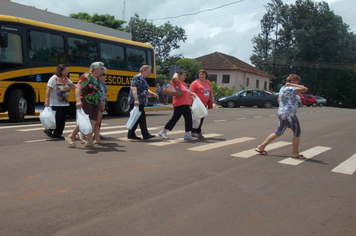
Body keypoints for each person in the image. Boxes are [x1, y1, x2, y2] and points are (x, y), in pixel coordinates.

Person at [255, 74, 308, 159]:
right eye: (297, 82)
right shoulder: (291, 88)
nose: (298, 84)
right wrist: (293, 85)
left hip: (282, 112)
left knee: (279, 131)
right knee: (297, 132)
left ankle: (261, 146)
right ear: (293, 81)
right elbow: (305, 89)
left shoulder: (282, 88)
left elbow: (279, 99)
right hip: (289, 113)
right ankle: (295, 153)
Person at [65, 62, 104, 148]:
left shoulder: (97, 78)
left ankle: (89, 140)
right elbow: (78, 87)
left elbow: (97, 90)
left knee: (93, 122)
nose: (102, 70)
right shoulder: (87, 76)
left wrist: (100, 101)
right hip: (87, 101)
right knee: (85, 122)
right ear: (95, 69)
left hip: (95, 103)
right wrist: (78, 100)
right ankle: (71, 136)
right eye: (101, 68)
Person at [158, 69, 197, 141]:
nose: (185, 77)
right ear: (179, 75)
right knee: (175, 119)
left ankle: (187, 134)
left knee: (188, 119)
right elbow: (174, 78)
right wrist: (176, 73)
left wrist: (192, 94)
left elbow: (187, 92)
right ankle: (163, 131)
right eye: (184, 75)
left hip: (186, 104)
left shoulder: (184, 84)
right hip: (179, 104)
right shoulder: (176, 82)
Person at [44, 64, 75, 139]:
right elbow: (48, 89)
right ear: (60, 71)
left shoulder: (66, 79)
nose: (67, 71)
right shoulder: (54, 78)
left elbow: (73, 86)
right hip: (55, 102)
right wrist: (47, 100)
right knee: (57, 118)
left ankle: (58, 133)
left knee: (62, 119)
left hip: (64, 102)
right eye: (66, 70)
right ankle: (49, 130)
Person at [127, 65, 158, 140]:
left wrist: (153, 94)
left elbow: (145, 89)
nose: (150, 73)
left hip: (141, 102)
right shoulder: (137, 77)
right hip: (137, 101)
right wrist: (136, 99)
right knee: (139, 117)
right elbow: (134, 89)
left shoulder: (143, 79)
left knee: (139, 118)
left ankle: (132, 134)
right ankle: (144, 134)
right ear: (143, 71)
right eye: (149, 71)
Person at [189, 69, 214, 139]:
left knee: (202, 117)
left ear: (206, 75)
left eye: (203, 74)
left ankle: (198, 131)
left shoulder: (208, 82)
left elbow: (210, 91)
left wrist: (212, 97)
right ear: (198, 75)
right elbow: (190, 92)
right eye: (200, 74)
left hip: (204, 104)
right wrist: (193, 97)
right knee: (196, 118)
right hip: (196, 104)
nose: (202, 75)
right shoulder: (195, 83)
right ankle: (194, 131)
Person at [93, 67, 109, 145]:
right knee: (94, 122)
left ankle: (97, 138)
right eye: (103, 75)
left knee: (97, 122)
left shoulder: (101, 83)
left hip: (101, 104)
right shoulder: (95, 82)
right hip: (96, 104)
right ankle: (75, 135)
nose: (105, 77)